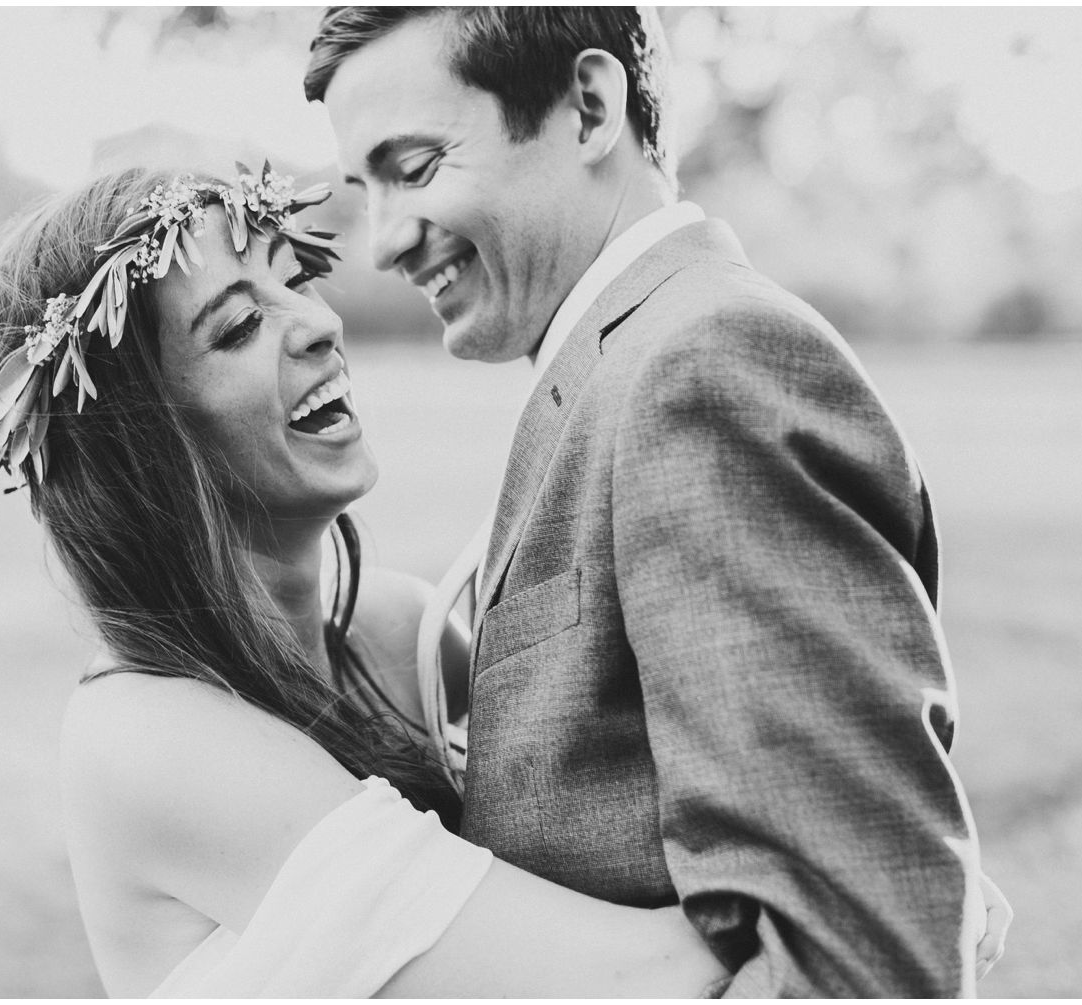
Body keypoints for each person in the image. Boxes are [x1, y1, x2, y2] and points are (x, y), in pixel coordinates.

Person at [307, 6, 1010, 997]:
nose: (381, 243)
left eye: (414, 168)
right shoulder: (614, 364)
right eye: (363, 187)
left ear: (589, 106)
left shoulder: (705, 368)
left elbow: (860, 954)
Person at [0, 164, 733, 996]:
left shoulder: (402, 633)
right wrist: (815, 872)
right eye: (241, 326)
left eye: (297, 281)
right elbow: (631, 976)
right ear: (138, 447)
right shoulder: (141, 736)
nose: (321, 325)